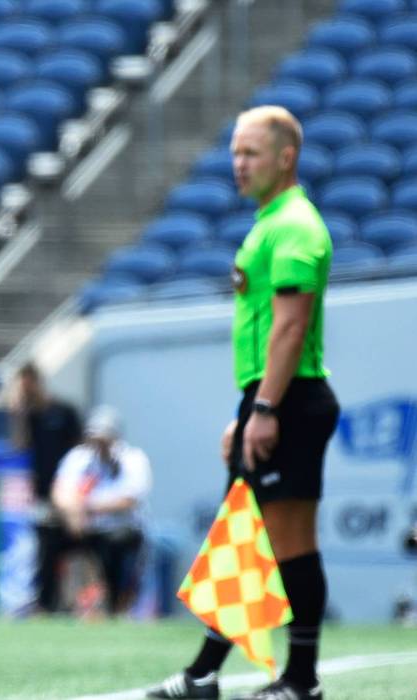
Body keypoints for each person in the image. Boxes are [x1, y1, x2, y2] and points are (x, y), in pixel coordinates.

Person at [146, 107, 339, 700]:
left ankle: (299, 681)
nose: (238, 163)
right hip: (274, 396)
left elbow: (289, 328)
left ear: (286, 157)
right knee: (245, 541)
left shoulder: (296, 226)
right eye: (234, 152)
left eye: (251, 152)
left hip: (291, 398)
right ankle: (205, 674)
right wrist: (250, 406)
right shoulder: (271, 222)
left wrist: (264, 409)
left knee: (285, 541)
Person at [49, 406, 151, 617]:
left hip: (118, 528)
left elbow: (129, 499)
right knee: (48, 534)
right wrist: (73, 513)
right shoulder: (79, 457)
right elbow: (60, 488)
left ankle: (114, 606)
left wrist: (85, 507)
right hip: (81, 525)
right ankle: (50, 604)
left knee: (116, 549)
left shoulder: (132, 459)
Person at [9, 362, 84, 613]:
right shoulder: (31, 416)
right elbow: (21, 445)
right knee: (46, 548)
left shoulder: (65, 410)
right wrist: (18, 414)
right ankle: (47, 604)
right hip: (43, 494)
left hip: (69, 493)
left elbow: (80, 450)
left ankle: (79, 602)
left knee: (76, 547)